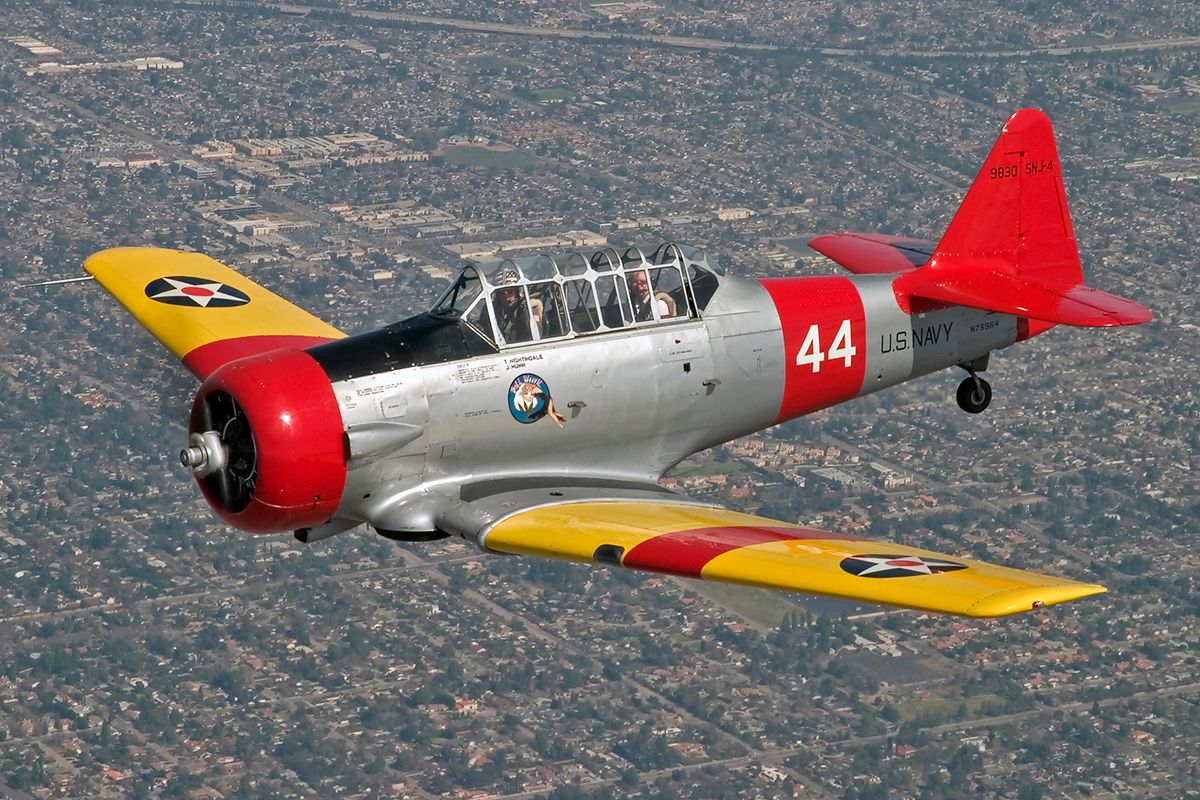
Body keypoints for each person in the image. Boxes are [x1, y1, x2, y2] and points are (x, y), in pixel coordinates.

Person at [492, 269, 532, 344]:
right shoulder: (492, 310)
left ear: (517, 292)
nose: (506, 297)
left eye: (510, 291)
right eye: (502, 292)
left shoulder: (526, 312)